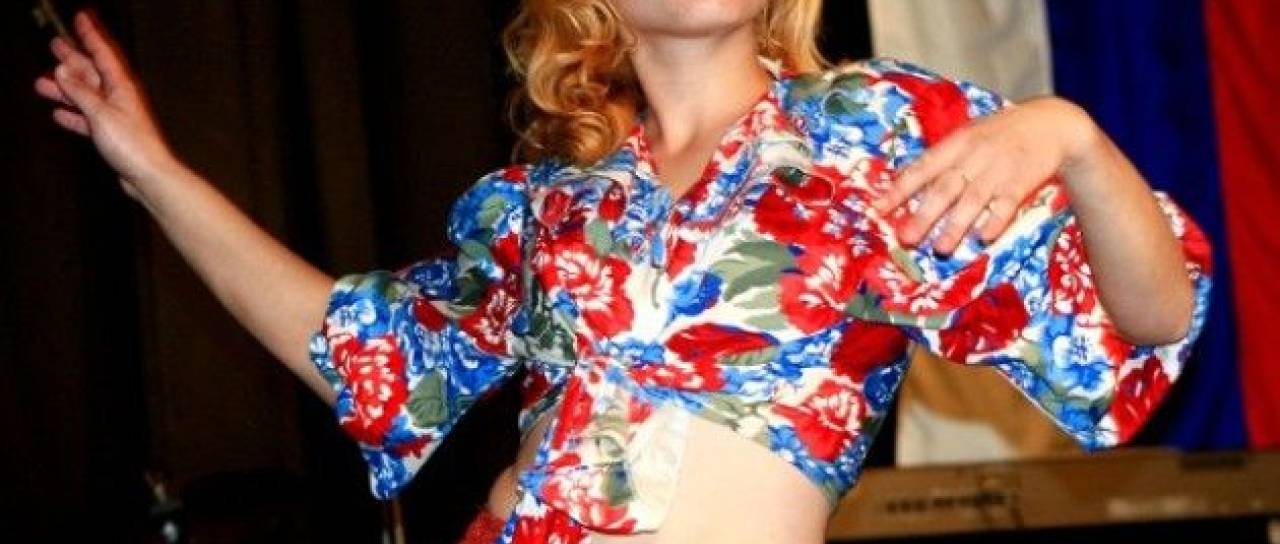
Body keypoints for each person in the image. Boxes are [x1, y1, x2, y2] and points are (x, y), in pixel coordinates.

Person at [34, 1, 1212, 543]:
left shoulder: (871, 134)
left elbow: (1151, 319)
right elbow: (362, 353)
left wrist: (1070, 136)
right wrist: (152, 171)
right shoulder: (551, 205)